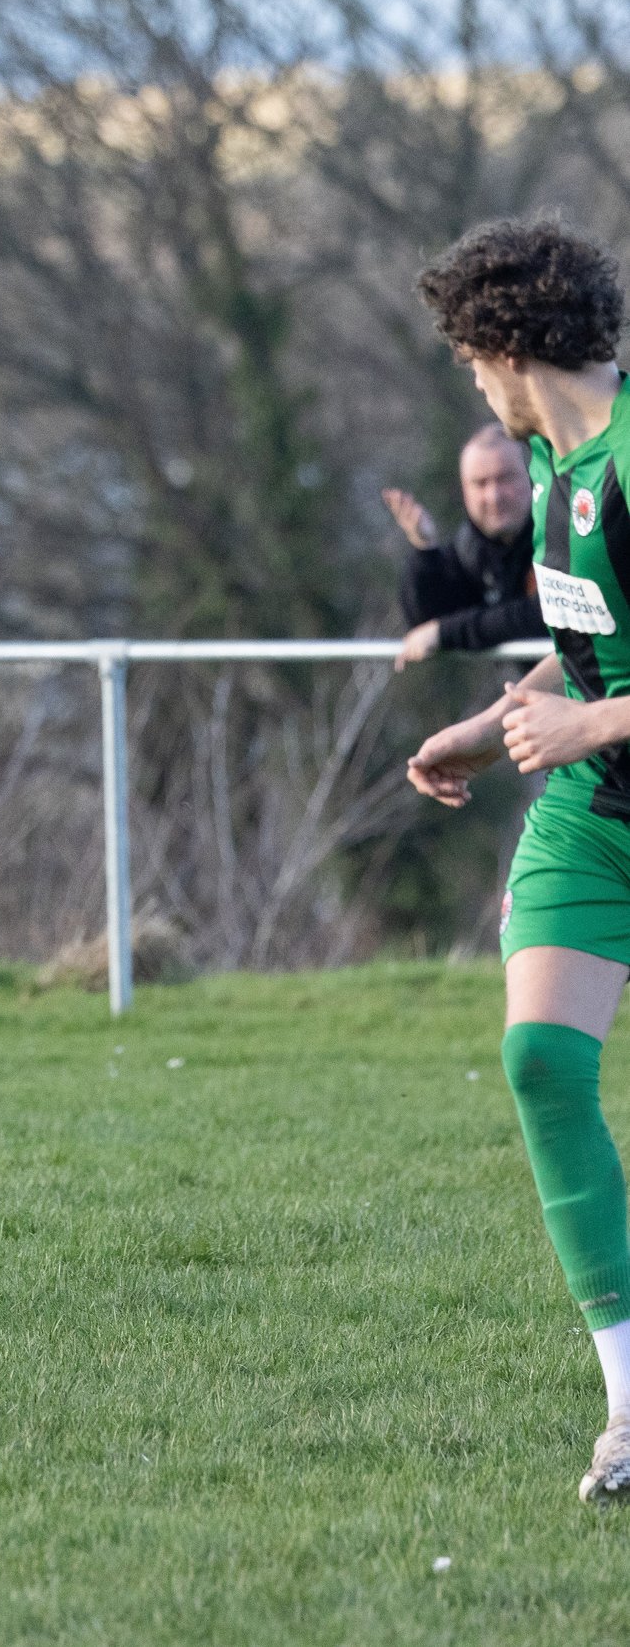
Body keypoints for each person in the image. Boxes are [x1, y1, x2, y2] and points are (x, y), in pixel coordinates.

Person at [404, 218, 630, 1502]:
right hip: (596, 811)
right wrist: (494, 731)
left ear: (498, 341)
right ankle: (625, 1406)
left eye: (464, 355)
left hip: (601, 756)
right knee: (540, 1059)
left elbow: (606, 694)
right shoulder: (552, 468)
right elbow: (589, 647)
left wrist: (587, 720)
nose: (469, 383)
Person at [384, 424, 539, 670]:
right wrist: (425, 550)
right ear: (464, 490)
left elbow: (545, 616)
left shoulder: (562, 532)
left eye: (505, 478)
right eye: (480, 483)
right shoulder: (471, 549)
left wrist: (446, 632)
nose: (494, 496)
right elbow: (426, 624)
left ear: (532, 475)